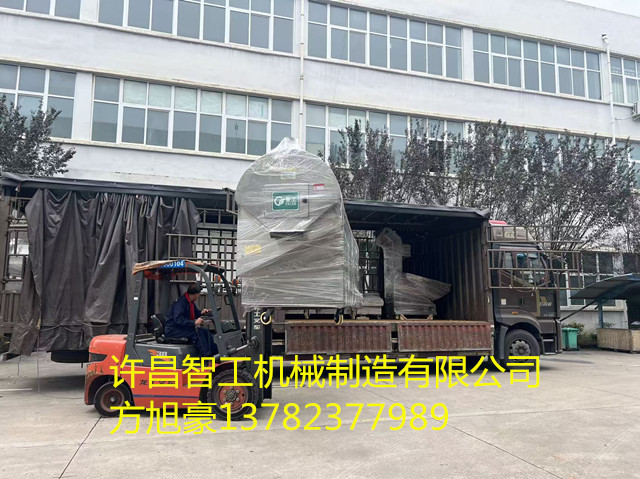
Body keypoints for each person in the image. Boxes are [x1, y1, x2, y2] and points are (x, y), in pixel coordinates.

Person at [164, 283, 218, 356]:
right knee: (197, 334)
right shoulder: (181, 303)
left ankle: (215, 353)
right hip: (173, 330)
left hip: (180, 328)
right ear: (195, 294)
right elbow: (178, 320)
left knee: (205, 332)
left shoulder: (190, 302)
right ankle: (206, 358)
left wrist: (202, 312)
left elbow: (196, 313)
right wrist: (194, 322)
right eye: (199, 294)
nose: (199, 296)